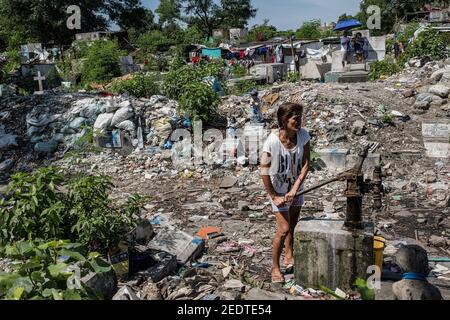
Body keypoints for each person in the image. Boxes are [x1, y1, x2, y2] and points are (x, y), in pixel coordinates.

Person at [260, 102, 311, 283]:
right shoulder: (272, 141)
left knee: (293, 225)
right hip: (279, 191)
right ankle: (275, 267)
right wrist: (274, 196)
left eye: (300, 117)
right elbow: (263, 170)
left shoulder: (303, 135)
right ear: (284, 120)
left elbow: (306, 164)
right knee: (283, 229)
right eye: (295, 118)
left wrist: (296, 188)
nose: (299, 122)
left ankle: (289, 256)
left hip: (296, 189)